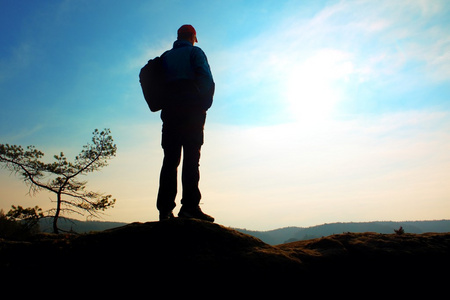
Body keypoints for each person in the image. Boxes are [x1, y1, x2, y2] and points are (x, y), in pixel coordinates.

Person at [157, 25, 215, 222]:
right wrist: (204, 104)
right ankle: (189, 207)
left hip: (170, 113)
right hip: (192, 113)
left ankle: (165, 210)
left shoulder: (165, 57)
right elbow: (206, 79)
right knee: (191, 159)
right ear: (192, 37)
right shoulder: (195, 52)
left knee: (170, 160)